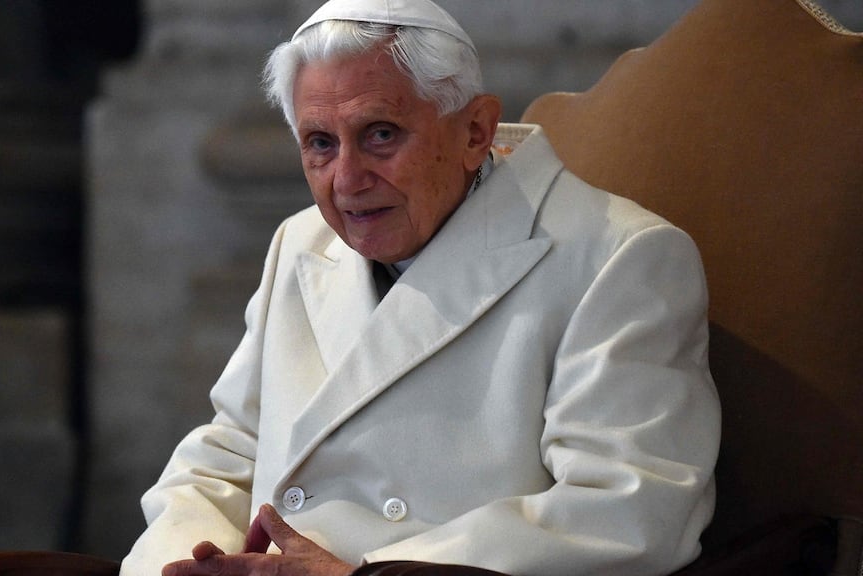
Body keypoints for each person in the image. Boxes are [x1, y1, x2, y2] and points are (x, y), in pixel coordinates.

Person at [120, 1, 721, 575]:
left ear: (475, 131)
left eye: (380, 134)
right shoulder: (302, 243)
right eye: (320, 144)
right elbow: (228, 454)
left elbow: (631, 508)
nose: (347, 181)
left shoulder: (618, 258)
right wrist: (180, 566)